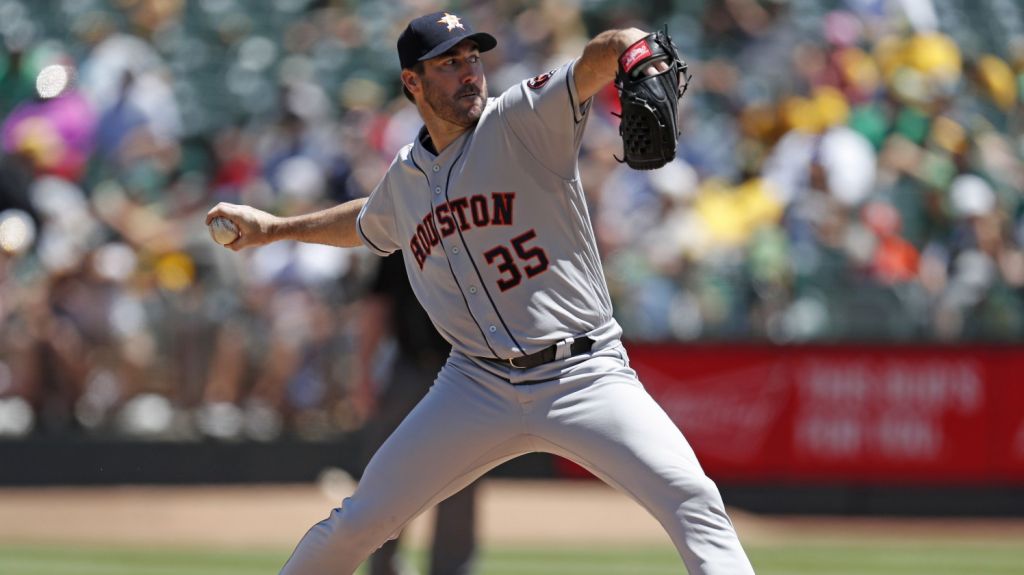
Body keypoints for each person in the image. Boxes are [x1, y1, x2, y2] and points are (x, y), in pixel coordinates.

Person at [207, 11, 756, 575]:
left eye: (473, 58)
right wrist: (274, 229)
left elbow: (597, 59)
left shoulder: (522, 118)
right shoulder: (407, 176)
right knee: (358, 522)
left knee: (692, 500)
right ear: (412, 82)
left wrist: (630, 46)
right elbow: (368, 221)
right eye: (449, 63)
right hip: (475, 385)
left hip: (582, 373)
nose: (469, 72)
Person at [358, 253, 477, 575]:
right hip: (409, 367)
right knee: (389, 474)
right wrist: (364, 372)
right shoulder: (400, 237)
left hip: (466, 367)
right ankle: (383, 566)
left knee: (462, 473)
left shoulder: (474, 232)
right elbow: (377, 304)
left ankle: (451, 570)